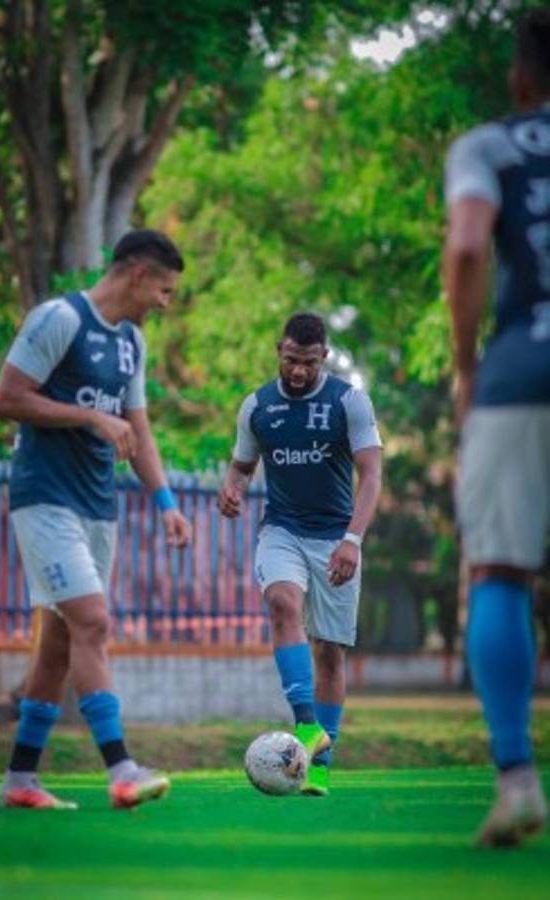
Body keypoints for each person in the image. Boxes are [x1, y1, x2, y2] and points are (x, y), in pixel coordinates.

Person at [0, 229, 190, 810]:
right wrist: (88, 418)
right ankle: (121, 769)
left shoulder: (132, 342)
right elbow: (6, 399)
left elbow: (140, 429)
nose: (166, 302)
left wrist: (167, 504)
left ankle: (20, 780)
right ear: (137, 275)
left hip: (99, 507)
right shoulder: (58, 318)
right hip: (44, 497)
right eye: (165, 289)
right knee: (93, 621)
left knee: (59, 644)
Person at [444, 8, 550, 847]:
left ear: (520, 79)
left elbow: (470, 247)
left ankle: (516, 782)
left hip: (523, 369)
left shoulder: (487, 146)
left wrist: (465, 365)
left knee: (501, 572)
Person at [218, 313, 382, 795]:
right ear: (278, 351)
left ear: (323, 358)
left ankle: (320, 767)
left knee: (329, 654)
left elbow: (371, 474)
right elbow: (241, 468)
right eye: (291, 360)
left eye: (308, 363)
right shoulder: (257, 407)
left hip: (336, 536)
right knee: (282, 604)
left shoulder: (348, 401)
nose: (298, 372)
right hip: (282, 530)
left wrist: (352, 539)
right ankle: (307, 725)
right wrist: (232, 488)